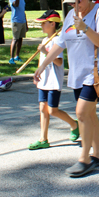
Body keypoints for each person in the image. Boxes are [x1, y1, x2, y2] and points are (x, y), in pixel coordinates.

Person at [34, 0, 99, 177]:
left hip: (96, 72)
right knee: (90, 115)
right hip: (77, 74)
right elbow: (59, 45)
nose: (73, 6)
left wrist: (85, 28)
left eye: (76, 2)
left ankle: (85, 159)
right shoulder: (71, 15)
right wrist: (42, 66)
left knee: (82, 113)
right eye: (70, 4)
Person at [29, 10, 79, 150]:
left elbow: (58, 62)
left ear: (52, 24)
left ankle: (74, 124)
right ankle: (43, 139)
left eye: (43, 23)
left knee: (52, 110)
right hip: (44, 80)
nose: (41, 26)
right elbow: (42, 62)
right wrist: (37, 74)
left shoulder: (57, 41)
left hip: (53, 81)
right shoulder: (45, 40)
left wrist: (46, 52)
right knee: (42, 109)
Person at [9, 0, 28, 64]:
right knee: (15, 39)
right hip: (16, 21)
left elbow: (23, 11)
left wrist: (26, 23)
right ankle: (11, 58)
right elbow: (15, 5)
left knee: (20, 39)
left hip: (22, 21)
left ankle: (17, 56)